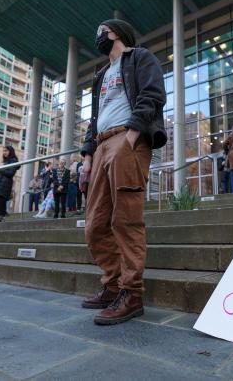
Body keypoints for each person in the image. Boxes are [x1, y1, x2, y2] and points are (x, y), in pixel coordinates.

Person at [80, 19, 167, 325]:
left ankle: (131, 294)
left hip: (126, 139)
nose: (98, 37)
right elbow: (95, 118)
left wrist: (131, 137)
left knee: (125, 219)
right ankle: (113, 285)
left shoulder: (139, 57)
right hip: (101, 145)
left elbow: (153, 95)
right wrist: (87, 156)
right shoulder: (101, 75)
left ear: (114, 32)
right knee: (94, 224)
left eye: (100, 31)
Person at [0, 146, 19, 223]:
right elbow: (2, 173)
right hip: (0, 182)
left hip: (5, 183)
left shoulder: (13, 161)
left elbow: (10, 173)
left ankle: (0, 218)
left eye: (6, 151)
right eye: (3, 151)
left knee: (0, 200)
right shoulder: (6, 161)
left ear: (10, 151)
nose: (4, 152)